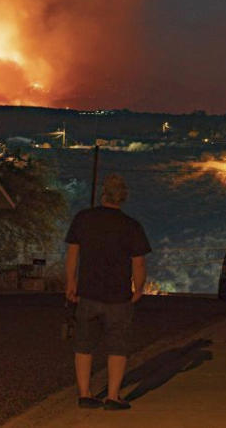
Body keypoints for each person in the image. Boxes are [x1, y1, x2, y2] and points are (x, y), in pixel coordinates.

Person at [64, 173, 151, 411]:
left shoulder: (83, 219)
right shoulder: (131, 225)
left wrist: (70, 282)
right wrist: (138, 287)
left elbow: (73, 253)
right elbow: (139, 263)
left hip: (88, 293)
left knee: (84, 345)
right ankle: (113, 396)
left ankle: (84, 393)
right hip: (118, 297)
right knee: (117, 346)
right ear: (123, 197)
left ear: (103, 193)